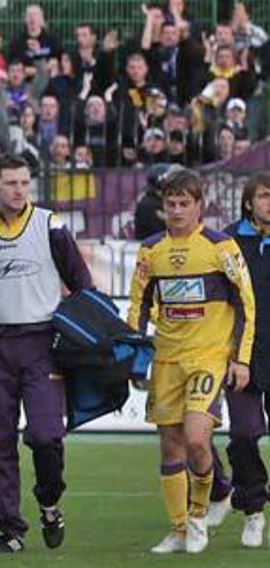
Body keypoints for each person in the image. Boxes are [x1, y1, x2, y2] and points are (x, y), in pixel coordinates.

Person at [0, 154, 94, 553]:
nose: (19, 190)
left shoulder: (50, 225)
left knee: (46, 436)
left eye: (25, 182)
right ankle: (11, 530)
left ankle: (49, 502)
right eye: (11, 183)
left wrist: (92, 338)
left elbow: (83, 286)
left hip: (42, 344)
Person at [127, 169, 255, 554]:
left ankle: (199, 514)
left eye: (185, 203)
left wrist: (241, 360)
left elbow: (246, 306)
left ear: (200, 206)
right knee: (171, 445)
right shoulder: (151, 250)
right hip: (167, 359)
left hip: (208, 358)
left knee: (197, 439)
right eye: (171, 204)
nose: (177, 210)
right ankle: (179, 529)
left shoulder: (221, 246)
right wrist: (134, 357)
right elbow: (138, 306)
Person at [201, 172, 270, 547]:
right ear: (248, 202)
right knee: (243, 434)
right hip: (241, 355)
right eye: (264, 195)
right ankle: (253, 509)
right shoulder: (227, 242)